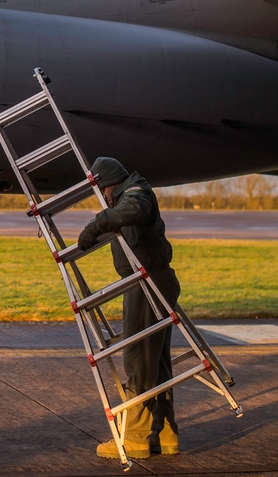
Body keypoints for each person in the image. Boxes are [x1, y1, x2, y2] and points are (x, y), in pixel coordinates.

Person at [77, 157, 180, 460]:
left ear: (108, 184)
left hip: (146, 284)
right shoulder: (134, 189)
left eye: (102, 191)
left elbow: (133, 209)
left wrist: (96, 225)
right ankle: (164, 434)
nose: (104, 198)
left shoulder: (135, 192)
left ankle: (135, 438)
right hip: (152, 281)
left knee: (138, 360)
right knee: (156, 364)